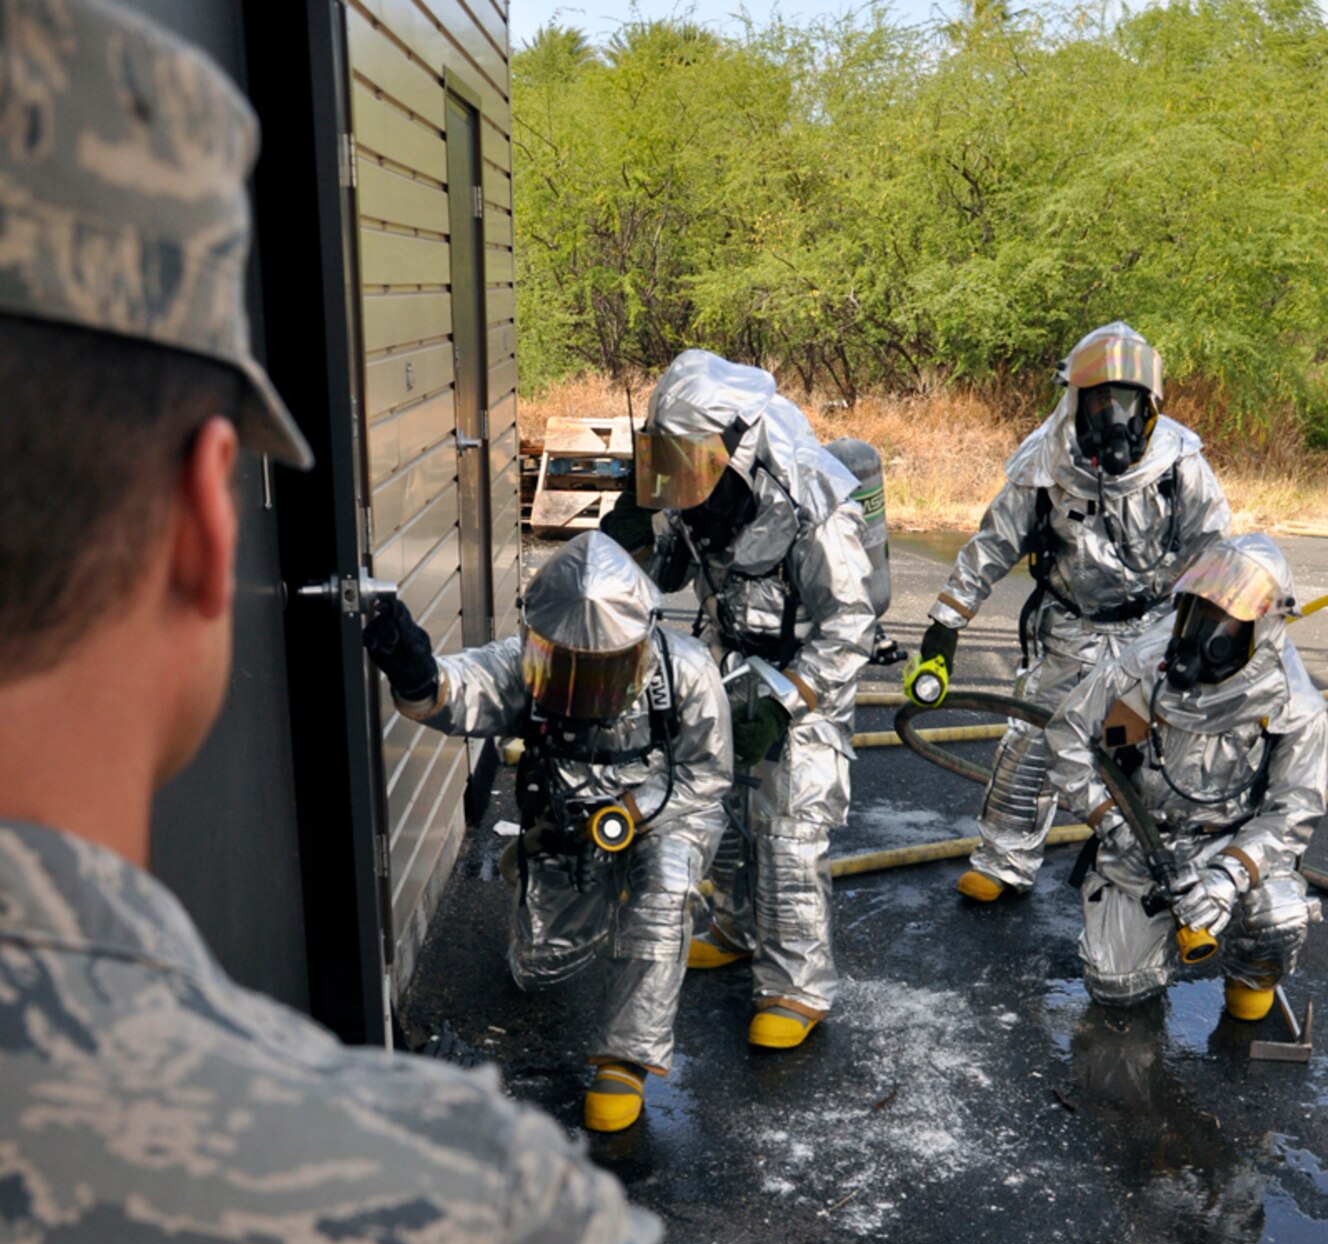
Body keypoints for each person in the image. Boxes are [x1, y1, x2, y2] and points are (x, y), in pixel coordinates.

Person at [0, 6, 728, 1244]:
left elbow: (689, 841)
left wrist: (632, 1049)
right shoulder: (454, 1233)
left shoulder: (686, 689)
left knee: (613, 957)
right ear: (203, 510)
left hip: (626, 857)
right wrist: (423, 665)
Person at [363, 531, 731, 1134]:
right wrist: (417, 676)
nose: (588, 682)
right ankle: (546, 873)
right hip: (565, 824)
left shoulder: (685, 671)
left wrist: (631, 814)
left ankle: (624, 1059)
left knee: (661, 894)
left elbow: (708, 778)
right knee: (537, 969)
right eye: (573, 665)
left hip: (666, 815)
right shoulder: (526, 667)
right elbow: (463, 689)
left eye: (606, 666)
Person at [605, 349, 877, 1050]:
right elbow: (667, 572)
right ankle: (735, 927)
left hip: (809, 674)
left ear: (731, 444)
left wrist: (789, 701)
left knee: (788, 824)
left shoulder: (813, 494)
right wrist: (630, 533)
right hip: (732, 656)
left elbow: (851, 626)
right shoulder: (692, 481)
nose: (678, 478)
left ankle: (796, 985)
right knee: (718, 803)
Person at [915, 322, 1232, 902]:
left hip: (1153, 634)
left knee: (1146, 752)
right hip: (1068, 629)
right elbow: (994, 543)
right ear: (1076, 401)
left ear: (1151, 406)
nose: (1116, 417)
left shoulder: (1180, 464)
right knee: (1030, 740)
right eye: (1101, 400)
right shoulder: (1044, 463)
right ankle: (1004, 859)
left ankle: (1141, 866)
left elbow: (1216, 551)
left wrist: (1208, 633)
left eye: (1129, 402)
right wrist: (947, 621)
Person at [1045, 533, 1328, 1015]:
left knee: (1275, 915)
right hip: (1140, 839)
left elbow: (1293, 810)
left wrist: (1227, 876)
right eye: (1198, 609)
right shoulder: (1143, 663)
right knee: (1118, 987)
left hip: (1231, 841)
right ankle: (1147, 935)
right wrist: (1112, 824)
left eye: (1224, 620)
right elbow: (1068, 734)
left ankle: (1249, 975)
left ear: (1262, 628)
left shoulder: (1295, 704)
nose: (1202, 631)